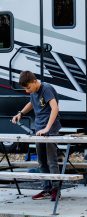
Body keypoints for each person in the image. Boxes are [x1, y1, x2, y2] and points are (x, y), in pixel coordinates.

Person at [12, 70, 62, 201]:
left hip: (49, 128)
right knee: (42, 161)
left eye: (28, 87)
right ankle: (47, 189)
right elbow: (31, 103)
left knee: (52, 160)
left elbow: (55, 108)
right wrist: (20, 114)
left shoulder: (46, 89)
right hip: (39, 128)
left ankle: (56, 190)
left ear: (34, 81)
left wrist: (47, 128)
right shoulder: (34, 91)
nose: (27, 91)